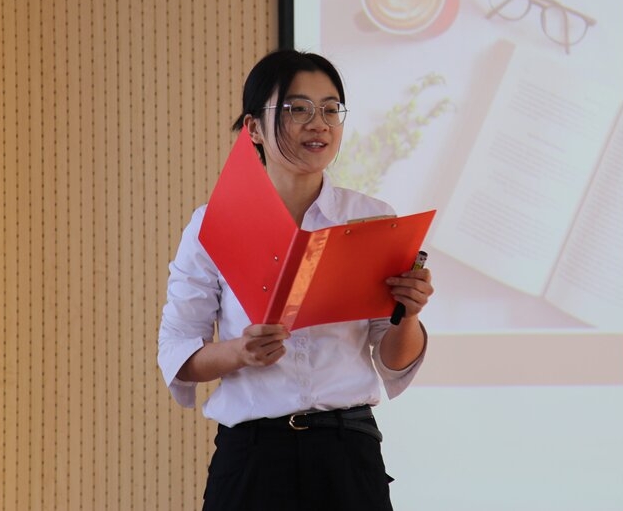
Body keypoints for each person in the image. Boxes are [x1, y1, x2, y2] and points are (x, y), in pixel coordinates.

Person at [158, 49, 434, 510]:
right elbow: (177, 353)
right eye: (297, 109)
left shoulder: (371, 218)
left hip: (348, 453)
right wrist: (240, 352)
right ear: (253, 128)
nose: (318, 124)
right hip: (252, 457)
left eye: (330, 109)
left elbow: (392, 359)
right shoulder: (216, 224)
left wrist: (408, 315)